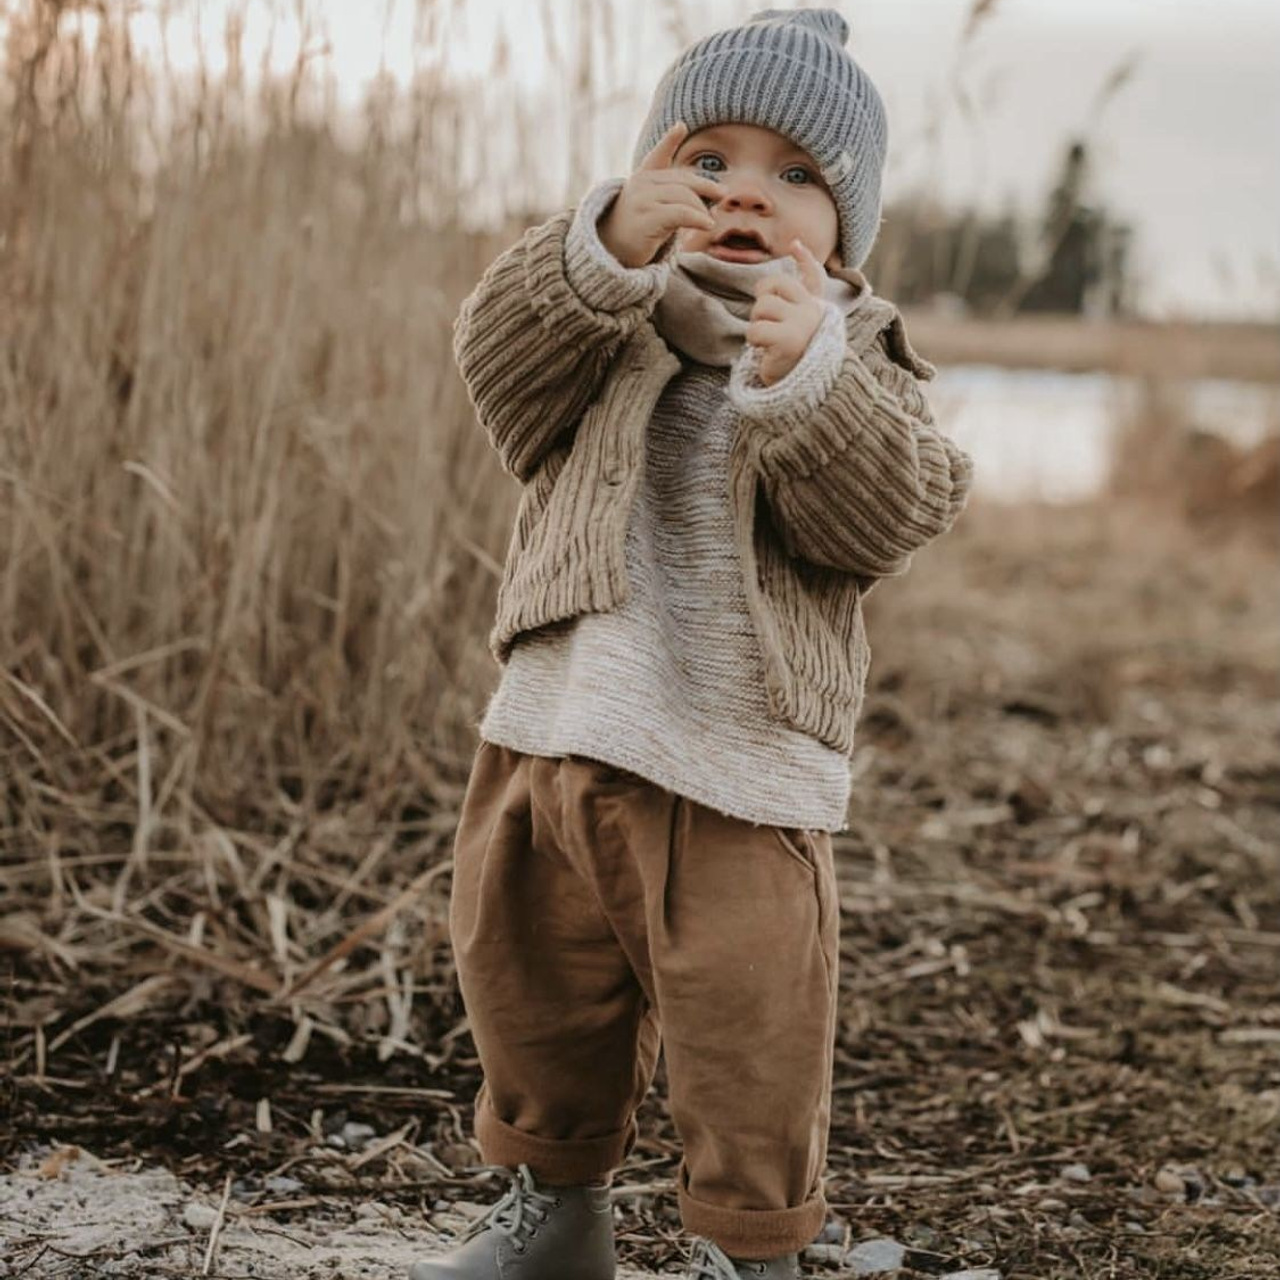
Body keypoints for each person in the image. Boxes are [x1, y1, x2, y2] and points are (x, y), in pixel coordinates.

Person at [409, 9, 974, 1280]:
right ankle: (555, 1210)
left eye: (794, 174)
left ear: (845, 226)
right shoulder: (601, 314)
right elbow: (495, 368)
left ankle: (747, 1247)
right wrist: (604, 245)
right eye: (706, 158)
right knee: (529, 980)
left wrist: (804, 379)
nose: (743, 192)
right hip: (557, 722)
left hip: (736, 765)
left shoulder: (855, 358)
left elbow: (882, 519)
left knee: (747, 1026)